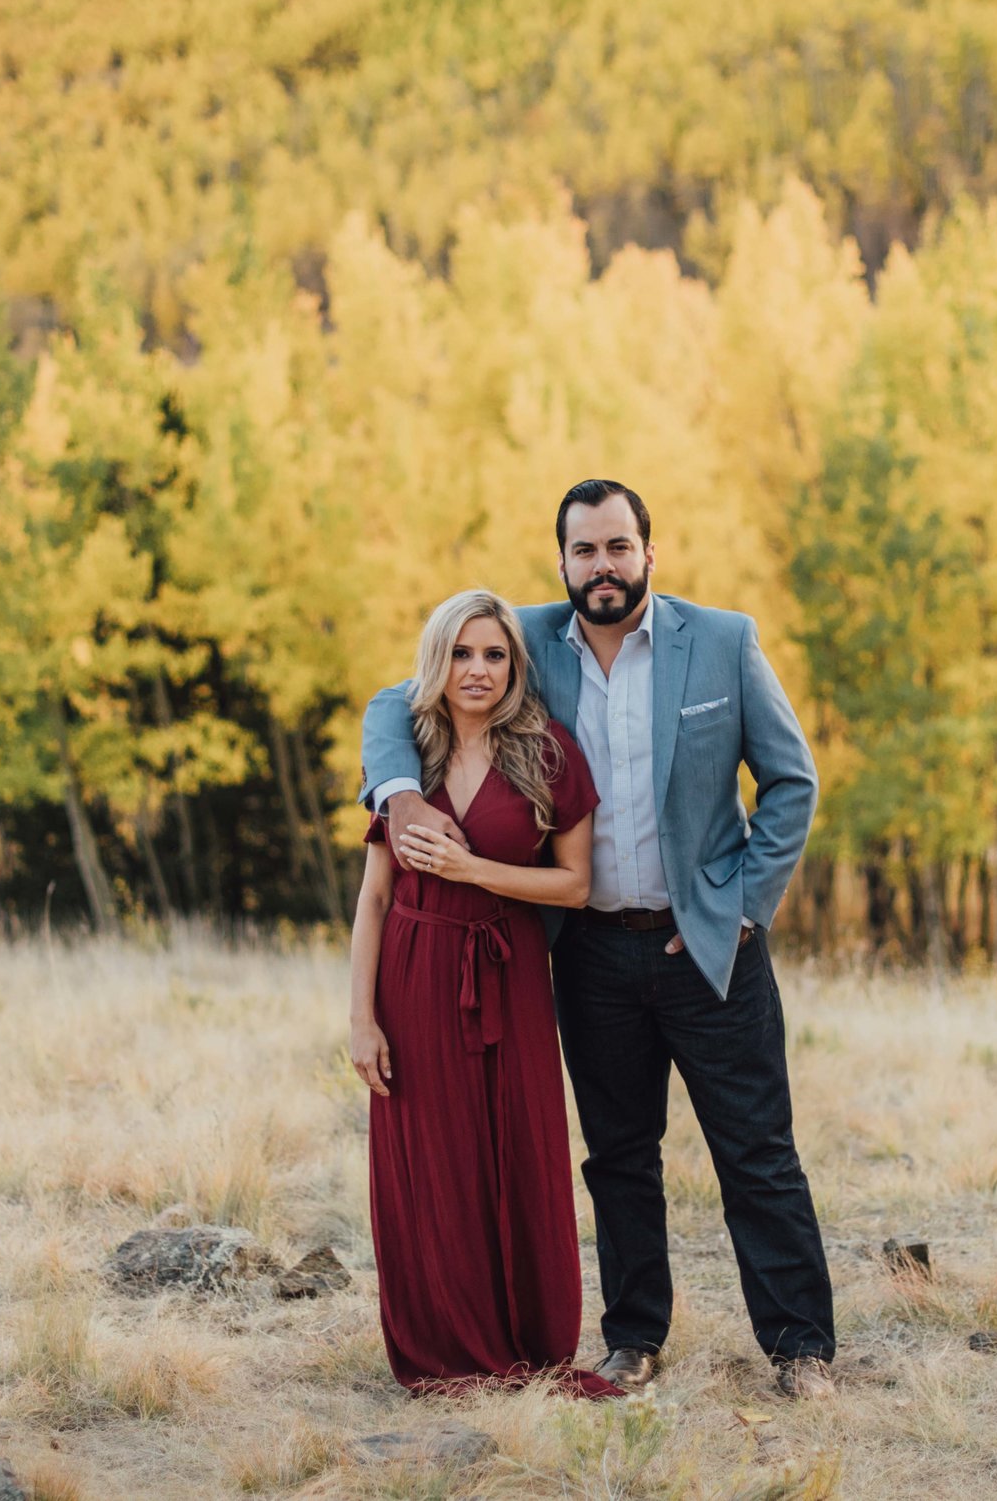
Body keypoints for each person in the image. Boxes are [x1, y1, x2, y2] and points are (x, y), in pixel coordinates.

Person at [363, 479, 837, 1400]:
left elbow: (792, 782)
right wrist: (398, 793)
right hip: (587, 954)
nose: (603, 567)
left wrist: (742, 907)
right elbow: (396, 699)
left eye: (619, 547)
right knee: (619, 1154)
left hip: (709, 949)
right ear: (564, 563)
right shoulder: (529, 641)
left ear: (649, 553)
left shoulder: (725, 643)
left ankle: (800, 1348)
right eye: (585, 552)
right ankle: (634, 1338)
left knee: (756, 1150)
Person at [347, 588, 621, 1398]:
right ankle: (440, 1345)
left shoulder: (549, 752)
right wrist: (360, 1017)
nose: (478, 670)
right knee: (428, 1158)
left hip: (509, 976)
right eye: (462, 653)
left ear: (514, 665)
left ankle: (525, 1337)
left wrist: (473, 870)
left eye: (494, 655)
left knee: (516, 1150)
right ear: (438, 661)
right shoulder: (406, 759)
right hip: (412, 970)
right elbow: (371, 896)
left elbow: (574, 886)